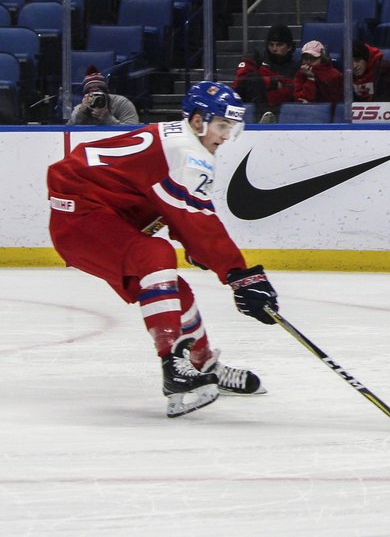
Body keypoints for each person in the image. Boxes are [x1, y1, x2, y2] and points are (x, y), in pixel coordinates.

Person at [46, 81, 280, 418]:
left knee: (172, 291)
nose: (226, 136)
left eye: (231, 127)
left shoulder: (176, 138)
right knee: (155, 254)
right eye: (222, 126)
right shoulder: (190, 154)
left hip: (99, 218)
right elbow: (196, 219)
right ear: (198, 121)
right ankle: (173, 366)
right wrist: (239, 275)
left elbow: (174, 207)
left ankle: (204, 365)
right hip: (82, 219)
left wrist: (204, 251)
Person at [233, 24, 298, 122]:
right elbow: (241, 81)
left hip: (280, 105)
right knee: (252, 79)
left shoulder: (296, 66)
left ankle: (266, 117)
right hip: (250, 98)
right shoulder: (256, 58)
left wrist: (263, 84)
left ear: (289, 47)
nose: (274, 49)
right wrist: (271, 82)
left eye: (279, 45)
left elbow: (292, 89)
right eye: (271, 44)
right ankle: (264, 116)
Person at [67, 69, 140, 126]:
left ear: (107, 93)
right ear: (86, 96)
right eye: (92, 95)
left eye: (99, 94)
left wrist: (107, 119)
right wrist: (81, 113)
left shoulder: (121, 103)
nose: (96, 99)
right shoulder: (81, 108)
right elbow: (66, 132)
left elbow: (133, 130)